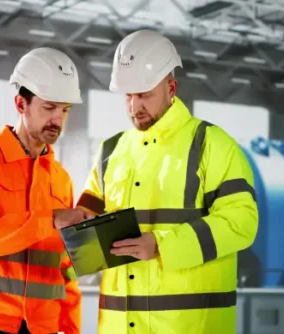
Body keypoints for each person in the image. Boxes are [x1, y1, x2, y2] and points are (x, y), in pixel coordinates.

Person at [77, 29, 259, 333]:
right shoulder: (110, 151)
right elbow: (86, 231)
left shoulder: (211, 144)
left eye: (144, 94)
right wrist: (75, 232)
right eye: (128, 96)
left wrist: (163, 246)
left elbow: (241, 222)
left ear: (171, 88)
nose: (135, 107)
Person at [0, 47, 90, 334]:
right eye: (49, 107)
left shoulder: (61, 179)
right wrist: (49, 219)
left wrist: (71, 327)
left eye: (64, 110)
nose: (58, 120)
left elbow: (64, 267)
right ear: (20, 104)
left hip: (44, 326)